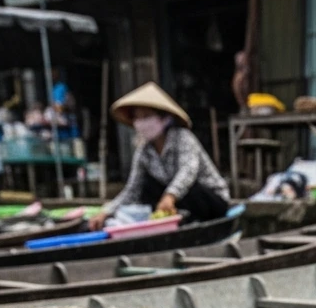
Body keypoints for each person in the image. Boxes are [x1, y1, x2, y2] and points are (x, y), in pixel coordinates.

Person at [94, 82, 230, 225]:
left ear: (164, 118)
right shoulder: (144, 152)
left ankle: (195, 221)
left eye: (146, 116)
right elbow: (133, 189)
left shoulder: (183, 137)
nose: (141, 123)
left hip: (211, 200)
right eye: (138, 118)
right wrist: (107, 212)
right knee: (147, 188)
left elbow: (188, 171)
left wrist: (170, 196)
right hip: (179, 203)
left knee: (192, 188)